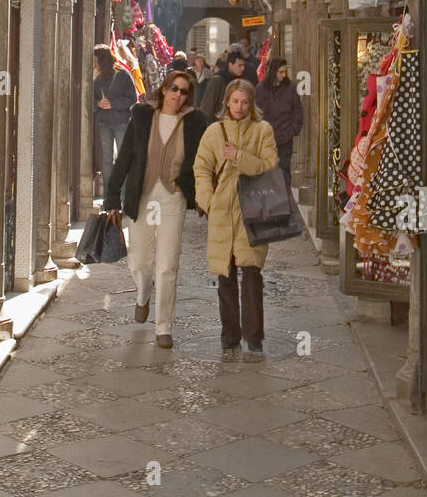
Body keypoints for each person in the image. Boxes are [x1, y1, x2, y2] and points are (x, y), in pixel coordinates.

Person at [104, 71, 207, 348]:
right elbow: (125, 156)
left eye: (184, 91)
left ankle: (164, 327)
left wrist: (202, 194)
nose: (177, 95)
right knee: (139, 260)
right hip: (143, 196)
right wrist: (112, 195)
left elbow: (203, 159)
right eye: (173, 88)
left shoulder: (196, 121)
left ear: (188, 95)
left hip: (173, 197)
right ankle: (142, 294)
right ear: (163, 89)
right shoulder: (142, 115)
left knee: (167, 264)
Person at [194, 78, 279, 362]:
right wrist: (207, 200)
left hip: (253, 210)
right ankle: (229, 334)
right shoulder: (213, 132)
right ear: (227, 103)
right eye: (235, 101)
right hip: (222, 209)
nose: (240, 107)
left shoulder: (263, 130)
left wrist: (239, 156)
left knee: (252, 273)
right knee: (225, 274)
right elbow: (202, 167)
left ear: (251, 104)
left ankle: (254, 336)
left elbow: (269, 167)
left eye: (244, 102)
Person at [93, 44, 138, 195]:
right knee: (107, 161)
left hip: (121, 122)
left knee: (122, 159)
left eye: (96, 60)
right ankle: (108, 196)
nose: (95, 63)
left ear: (102, 60)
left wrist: (113, 104)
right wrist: (98, 103)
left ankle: (124, 196)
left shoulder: (123, 75)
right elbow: (90, 98)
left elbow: (132, 97)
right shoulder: (96, 78)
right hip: (104, 122)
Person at [255, 56, 304, 187]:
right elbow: (256, 112)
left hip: (285, 136)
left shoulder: (291, 88)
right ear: (273, 72)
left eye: (285, 72)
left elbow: (298, 111)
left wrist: (293, 130)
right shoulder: (261, 89)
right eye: (281, 72)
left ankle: (284, 198)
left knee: (284, 170)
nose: (284, 75)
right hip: (266, 137)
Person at [200, 48, 246, 122]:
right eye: (239, 65)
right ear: (230, 65)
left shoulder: (239, 80)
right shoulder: (217, 80)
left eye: (243, 65)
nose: (242, 68)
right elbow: (208, 107)